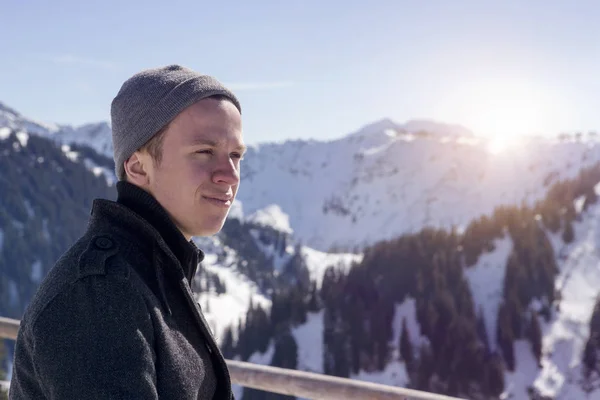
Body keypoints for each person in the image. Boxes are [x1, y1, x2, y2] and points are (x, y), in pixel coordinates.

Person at [9, 64, 244, 399]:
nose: (230, 175)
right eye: (204, 152)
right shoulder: (98, 297)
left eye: (236, 155)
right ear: (137, 167)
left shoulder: (152, 270)